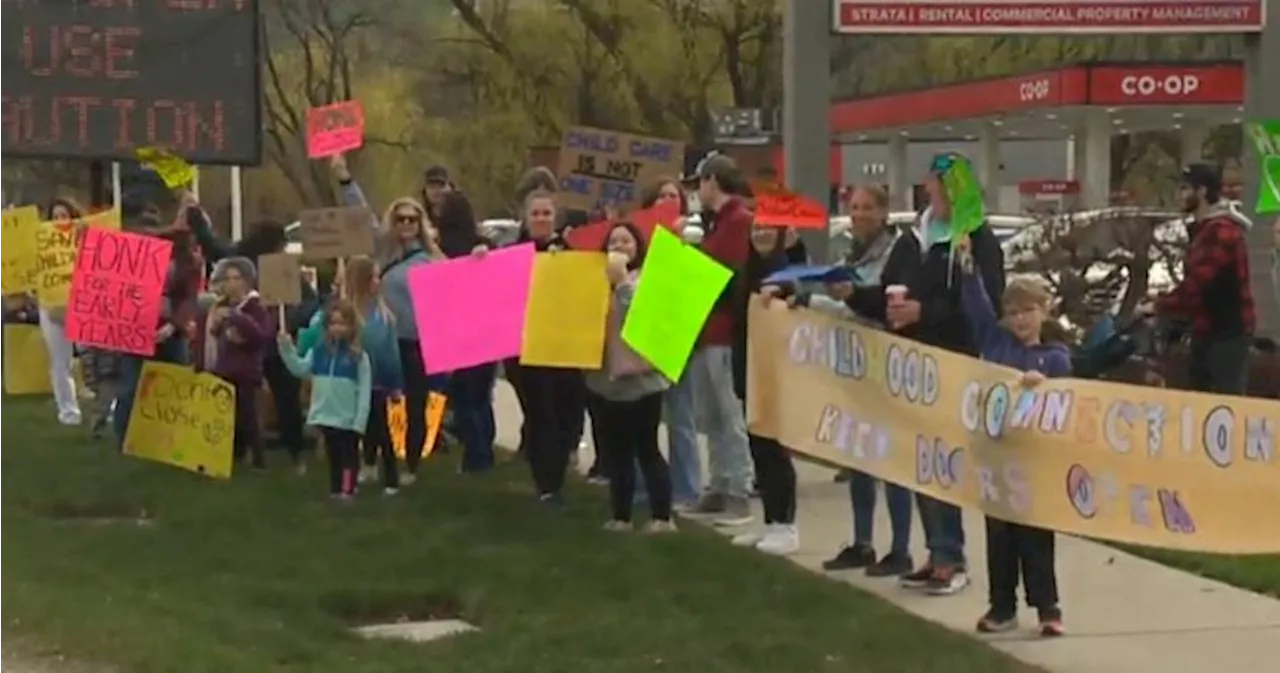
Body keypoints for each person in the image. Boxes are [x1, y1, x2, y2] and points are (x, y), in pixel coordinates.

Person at [884, 154, 1005, 596]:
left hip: (954, 363)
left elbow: (985, 304)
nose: (936, 191)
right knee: (921, 462)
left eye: (945, 184)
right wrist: (857, 295)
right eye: (934, 182)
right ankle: (936, 552)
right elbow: (888, 285)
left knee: (943, 459)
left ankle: (952, 558)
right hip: (912, 365)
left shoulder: (976, 239)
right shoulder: (913, 239)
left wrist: (925, 311)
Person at [790, 185, 921, 576]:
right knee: (858, 456)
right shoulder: (850, 251)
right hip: (852, 366)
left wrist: (820, 302)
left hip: (886, 365)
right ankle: (862, 542)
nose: (858, 215)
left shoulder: (898, 253)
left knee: (892, 461)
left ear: (884, 212)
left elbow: (875, 309)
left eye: (867, 208)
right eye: (853, 208)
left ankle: (900, 549)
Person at [956, 235, 1069, 637]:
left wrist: (1045, 384)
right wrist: (968, 266)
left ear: (1044, 311)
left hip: (1035, 466)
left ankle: (1048, 608)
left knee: (1036, 539)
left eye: (1029, 311)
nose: (1021, 319)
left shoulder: (1055, 357)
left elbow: (1065, 403)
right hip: (997, 461)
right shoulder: (996, 342)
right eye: (1014, 312)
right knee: (999, 537)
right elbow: (977, 308)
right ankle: (1001, 606)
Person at [334, 155, 470, 483]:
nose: (406, 224)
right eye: (400, 219)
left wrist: (480, 254)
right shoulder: (381, 250)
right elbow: (361, 214)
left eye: (412, 219)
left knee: (415, 405)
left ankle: (411, 464)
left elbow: (460, 288)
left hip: (416, 342)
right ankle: (369, 461)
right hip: (380, 336)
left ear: (419, 222)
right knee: (374, 401)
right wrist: (344, 179)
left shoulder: (433, 259)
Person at [184, 198, 317, 466]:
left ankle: (236, 451)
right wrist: (292, 324)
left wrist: (195, 216)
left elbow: (213, 246)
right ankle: (294, 449)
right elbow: (310, 302)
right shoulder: (282, 269)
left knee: (238, 400)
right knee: (285, 396)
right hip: (274, 340)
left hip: (244, 344)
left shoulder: (239, 260)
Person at [588, 221, 677, 532]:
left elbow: (640, 320)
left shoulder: (648, 280)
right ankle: (621, 515)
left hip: (643, 384)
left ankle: (662, 517)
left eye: (626, 241)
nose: (620, 246)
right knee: (617, 454)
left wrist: (622, 282)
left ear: (638, 248)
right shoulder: (595, 281)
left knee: (647, 449)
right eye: (614, 241)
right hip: (604, 382)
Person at [686, 152, 755, 527]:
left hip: (723, 330)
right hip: (705, 331)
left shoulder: (737, 221)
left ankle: (738, 488)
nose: (699, 190)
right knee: (710, 414)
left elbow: (724, 271)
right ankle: (719, 482)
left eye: (701, 182)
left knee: (729, 413)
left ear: (713, 181)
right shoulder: (716, 224)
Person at [505, 188, 584, 504]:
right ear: (526, 218)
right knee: (539, 417)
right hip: (526, 351)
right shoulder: (512, 254)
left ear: (555, 217)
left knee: (566, 415)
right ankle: (545, 485)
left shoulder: (572, 252)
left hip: (565, 349)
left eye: (546, 213)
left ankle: (558, 477)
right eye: (535, 213)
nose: (540, 218)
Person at [1152, 163, 1254, 394]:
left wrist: (1158, 304)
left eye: (1185, 188)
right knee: (1202, 403)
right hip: (1206, 330)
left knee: (1226, 406)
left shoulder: (1222, 232)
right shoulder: (1204, 230)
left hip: (1228, 334)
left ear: (1203, 192)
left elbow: (1198, 284)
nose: (1179, 195)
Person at [731, 224, 802, 554]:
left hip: (778, 374)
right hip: (748, 369)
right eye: (755, 228)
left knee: (775, 449)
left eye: (766, 229)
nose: (759, 234)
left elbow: (801, 297)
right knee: (758, 445)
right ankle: (770, 520)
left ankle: (787, 524)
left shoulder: (787, 270)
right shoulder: (746, 270)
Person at [113, 205, 203, 446]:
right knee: (131, 388)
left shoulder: (188, 259)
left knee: (175, 387)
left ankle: (172, 440)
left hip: (171, 332)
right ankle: (124, 440)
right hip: (137, 328)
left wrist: (173, 326)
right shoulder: (137, 250)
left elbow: (189, 297)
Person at [276, 300, 372, 500]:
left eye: (342, 323)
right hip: (326, 414)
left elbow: (364, 391)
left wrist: (359, 421)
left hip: (348, 417)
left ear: (351, 326)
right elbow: (300, 368)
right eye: (333, 323)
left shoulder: (358, 357)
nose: (337, 328)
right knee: (334, 455)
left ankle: (348, 489)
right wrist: (286, 348)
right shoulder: (318, 352)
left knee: (349, 456)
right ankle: (336, 489)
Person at [434, 191, 498, 473]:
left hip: (457, 330)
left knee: (464, 397)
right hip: (488, 328)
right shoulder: (486, 246)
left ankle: (476, 456)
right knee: (482, 395)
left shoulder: (441, 249)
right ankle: (486, 448)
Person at [337, 256, 405, 495]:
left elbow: (390, 354)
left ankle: (391, 478)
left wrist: (395, 385)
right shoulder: (346, 313)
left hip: (376, 385)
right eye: (374, 277)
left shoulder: (383, 316)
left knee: (381, 431)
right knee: (353, 433)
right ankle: (357, 473)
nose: (378, 281)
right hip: (349, 384)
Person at [200, 258, 272, 469]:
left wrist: (236, 317)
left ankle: (259, 460)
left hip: (246, 371)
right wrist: (218, 324)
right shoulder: (220, 305)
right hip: (224, 367)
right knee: (225, 418)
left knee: (249, 417)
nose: (231, 283)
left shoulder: (255, 306)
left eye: (236, 278)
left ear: (247, 281)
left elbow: (261, 336)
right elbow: (214, 333)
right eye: (228, 278)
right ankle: (232, 457)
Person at [39, 197, 84, 426]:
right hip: (51, 307)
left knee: (93, 358)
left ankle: (105, 406)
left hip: (82, 305)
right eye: (55, 217)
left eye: (64, 216)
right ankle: (68, 410)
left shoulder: (83, 239)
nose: (59, 221)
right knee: (60, 361)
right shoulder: (41, 244)